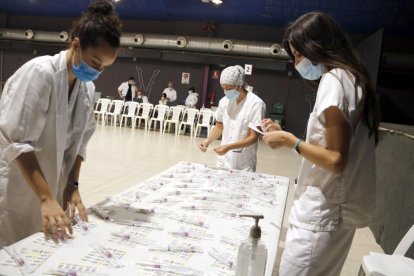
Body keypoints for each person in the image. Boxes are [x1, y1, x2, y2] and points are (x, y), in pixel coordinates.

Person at [261, 12, 380, 276]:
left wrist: (290, 142)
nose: (297, 63)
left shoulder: (334, 80)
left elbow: (336, 159)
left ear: (318, 46)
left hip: (321, 214)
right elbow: (327, 143)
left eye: (300, 54)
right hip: (335, 213)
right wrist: (287, 135)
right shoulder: (354, 79)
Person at [0, 0, 122, 247]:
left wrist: (72, 184)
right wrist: (45, 198)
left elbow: (80, 144)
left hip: (51, 190)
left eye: (103, 68)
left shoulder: (86, 89)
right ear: (76, 44)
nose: (97, 71)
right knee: (11, 249)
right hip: (18, 188)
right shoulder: (40, 73)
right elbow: (17, 142)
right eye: (94, 62)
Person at [199, 65, 265, 172]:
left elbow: (253, 137)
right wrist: (207, 141)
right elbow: (219, 126)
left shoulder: (256, 104)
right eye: (223, 88)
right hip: (224, 160)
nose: (225, 92)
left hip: (244, 163)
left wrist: (229, 147)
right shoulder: (224, 102)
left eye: (228, 88)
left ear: (239, 85)